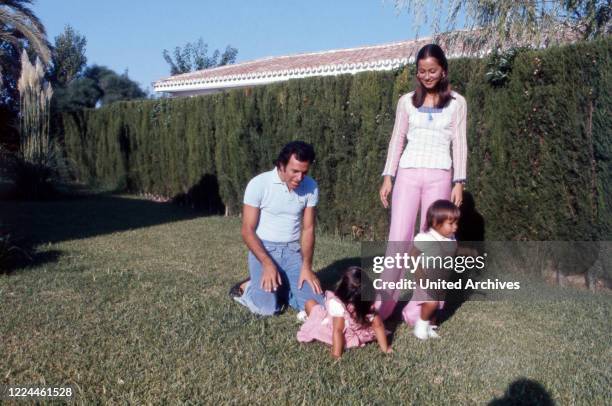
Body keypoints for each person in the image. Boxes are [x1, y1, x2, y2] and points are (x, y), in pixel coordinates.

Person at [377, 43, 468, 320]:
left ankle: (420, 310)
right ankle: (383, 306)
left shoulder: (457, 102)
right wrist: (388, 176)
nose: (427, 76)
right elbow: (397, 139)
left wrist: (459, 181)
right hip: (407, 174)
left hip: (440, 175)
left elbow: (460, 143)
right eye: (422, 71)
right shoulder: (406, 102)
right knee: (398, 238)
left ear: (443, 71)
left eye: (432, 71)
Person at [232, 141, 324, 316]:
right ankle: (248, 287)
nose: (300, 178)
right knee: (267, 309)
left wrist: (306, 266)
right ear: (281, 165)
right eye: (295, 171)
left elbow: (309, 229)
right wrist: (267, 264)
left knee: (317, 306)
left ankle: (283, 286)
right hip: (264, 250)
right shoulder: (259, 183)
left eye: (304, 172)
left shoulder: (311, 187)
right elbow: (247, 230)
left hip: (291, 251)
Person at [297, 267, 391, 359]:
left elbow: (338, 330)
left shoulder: (338, 305)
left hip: (340, 331)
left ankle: (309, 319)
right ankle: (310, 319)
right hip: (359, 332)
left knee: (310, 304)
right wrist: (385, 349)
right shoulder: (369, 304)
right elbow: (378, 326)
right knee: (313, 307)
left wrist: (336, 355)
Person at [402, 200, 459, 339]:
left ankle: (430, 326)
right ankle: (420, 326)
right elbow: (413, 255)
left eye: (456, 223)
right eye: (451, 224)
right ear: (435, 222)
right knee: (431, 303)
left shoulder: (451, 238)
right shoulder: (426, 237)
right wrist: (419, 273)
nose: (455, 227)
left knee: (437, 305)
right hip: (426, 276)